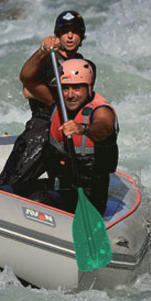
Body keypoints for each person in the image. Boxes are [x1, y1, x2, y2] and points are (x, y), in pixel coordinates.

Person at [0, 10, 88, 190]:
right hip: (43, 124)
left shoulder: (83, 64)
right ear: (57, 35)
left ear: (81, 36)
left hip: (68, 126)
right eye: (64, 31)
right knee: (11, 182)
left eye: (75, 31)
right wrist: (42, 51)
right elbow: (26, 78)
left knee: (68, 185)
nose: (70, 36)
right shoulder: (47, 58)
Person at [26, 58, 119, 216]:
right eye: (65, 88)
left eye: (76, 88)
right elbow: (28, 80)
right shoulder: (57, 103)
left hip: (88, 198)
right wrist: (42, 52)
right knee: (9, 190)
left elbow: (103, 128)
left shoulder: (101, 111)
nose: (69, 95)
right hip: (58, 185)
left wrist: (83, 128)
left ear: (89, 87)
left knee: (40, 200)